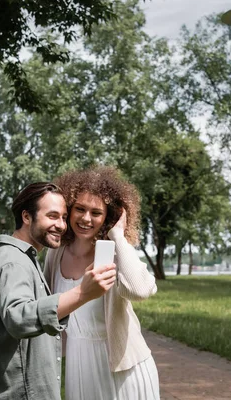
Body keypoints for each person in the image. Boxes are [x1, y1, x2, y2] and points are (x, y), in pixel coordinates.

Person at [0, 182, 117, 400]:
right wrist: (83, 293)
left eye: (63, 217)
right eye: (52, 216)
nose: (61, 225)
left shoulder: (21, 259)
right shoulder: (14, 262)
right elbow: (19, 317)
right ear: (27, 217)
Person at [44, 166, 160, 400]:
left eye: (96, 213)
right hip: (79, 363)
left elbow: (140, 290)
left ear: (108, 217)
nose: (86, 219)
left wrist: (117, 236)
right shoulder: (55, 255)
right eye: (80, 209)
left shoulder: (114, 253)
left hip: (123, 369)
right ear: (69, 210)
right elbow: (46, 308)